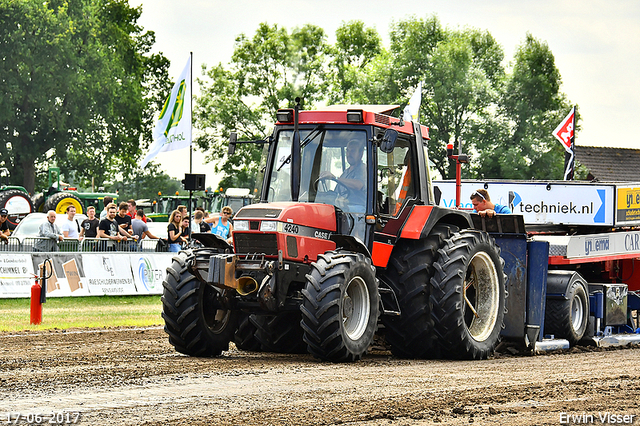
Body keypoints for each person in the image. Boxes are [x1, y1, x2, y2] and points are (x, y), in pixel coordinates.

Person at [319, 139, 366, 207]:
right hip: (344, 208)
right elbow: (337, 193)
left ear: (361, 153)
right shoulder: (345, 172)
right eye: (347, 151)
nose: (349, 154)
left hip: (357, 211)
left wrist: (335, 178)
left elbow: (358, 185)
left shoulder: (363, 169)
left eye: (352, 151)